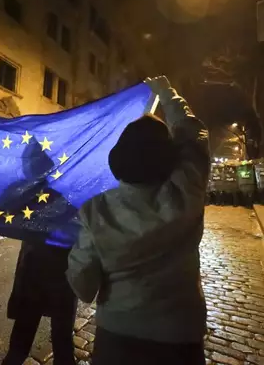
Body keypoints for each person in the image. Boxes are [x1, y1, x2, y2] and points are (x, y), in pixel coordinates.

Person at [67, 76, 210, 365]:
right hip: (180, 335)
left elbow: (83, 286)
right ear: (169, 158)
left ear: (118, 159)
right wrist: (167, 93)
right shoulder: (187, 189)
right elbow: (193, 133)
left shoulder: (96, 211)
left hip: (118, 338)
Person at [0, 141, 78, 365]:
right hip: (61, 275)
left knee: (22, 343)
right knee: (61, 343)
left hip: (38, 275)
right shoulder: (65, 194)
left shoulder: (21, 193)